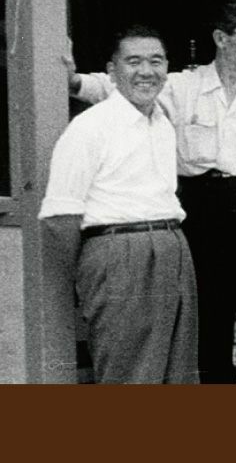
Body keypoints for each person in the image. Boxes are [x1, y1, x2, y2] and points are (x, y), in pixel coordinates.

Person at [68, 0, 236, 384]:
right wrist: (75, 82)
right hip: (201, 214)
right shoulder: (183, 86)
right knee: (208, 325)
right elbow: (120, 88)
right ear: (221, 38)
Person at [40, 26, 198, 384]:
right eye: (134, 61)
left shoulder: (163, 123)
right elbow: (60, 215)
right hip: (118, 254)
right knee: (130, 377)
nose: (146, 71)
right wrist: (93, 268)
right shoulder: (90, 127)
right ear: (112, 72)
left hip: (172, 249)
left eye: (156, 61)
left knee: (179, 375)